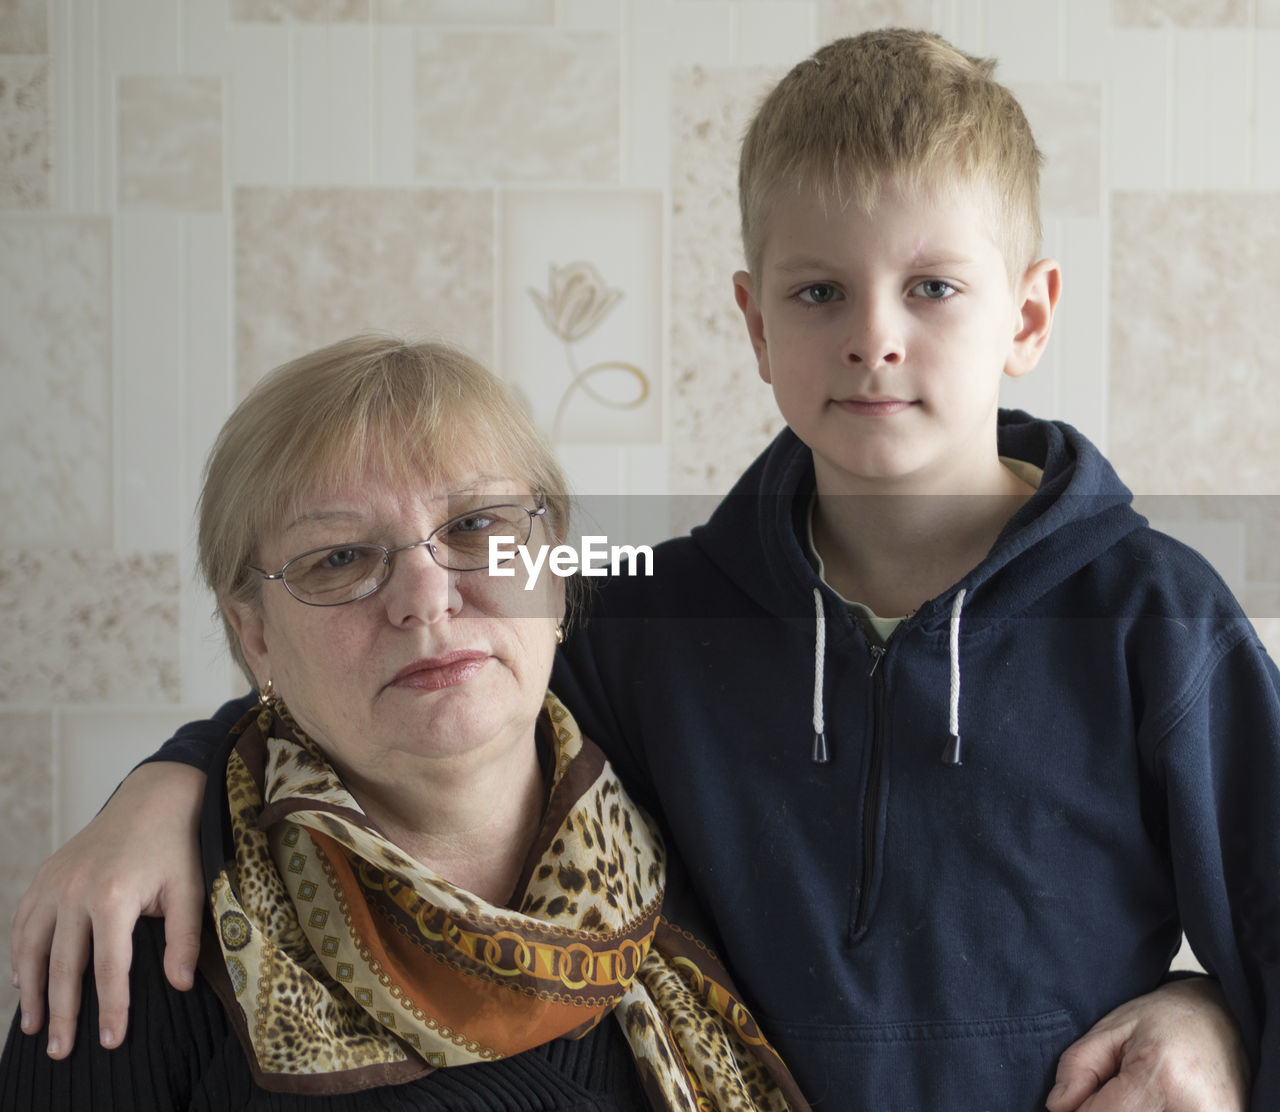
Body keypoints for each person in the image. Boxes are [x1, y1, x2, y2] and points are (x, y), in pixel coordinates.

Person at [6, 28, 1265, 1111]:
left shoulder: (1151, 618)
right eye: (819, 291)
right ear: (754, 323)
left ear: (1029, 316)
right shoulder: (650, 601)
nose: (874, 339)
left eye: (931, 287)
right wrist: (164, 783)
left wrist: (1214, 1016)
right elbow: (418, 666)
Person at [0, 335, 808, 1111]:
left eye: (475, 525)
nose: (426, 596)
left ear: (557, 573)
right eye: (339, 557)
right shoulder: (142, 938)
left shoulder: (707, 834)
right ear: (256, 635)